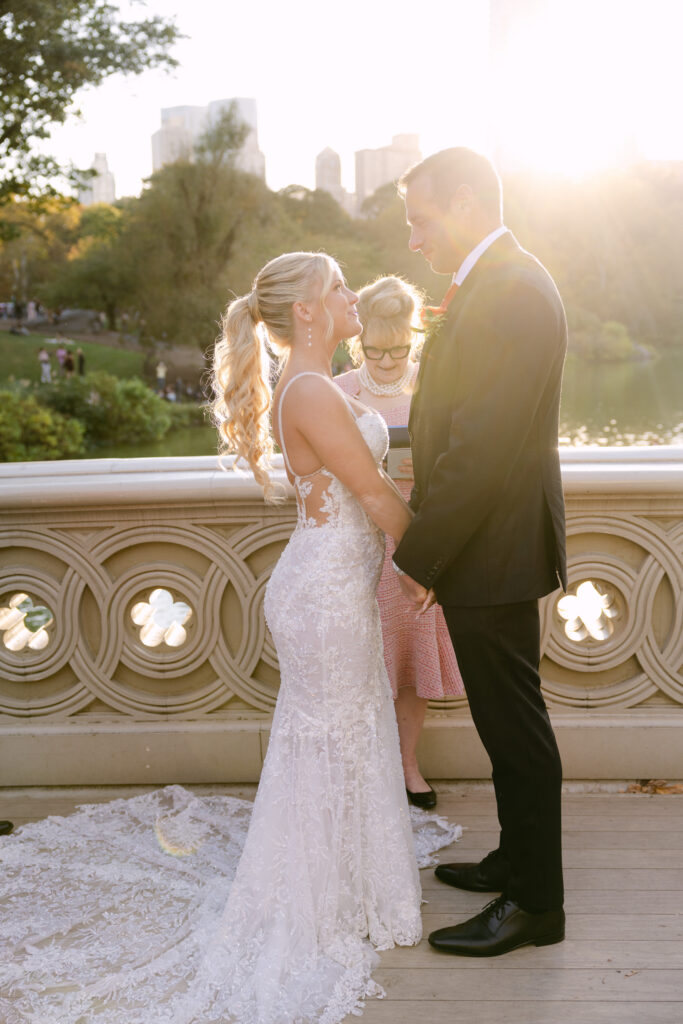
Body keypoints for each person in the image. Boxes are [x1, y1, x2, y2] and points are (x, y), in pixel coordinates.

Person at [0, 252, 459, 1024]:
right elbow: (374, 492)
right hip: (323, 594)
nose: (351, 295)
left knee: (350, 732)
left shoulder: (315, 383)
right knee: (330, 737)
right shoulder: (310, 390)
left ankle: (345, 889)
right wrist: (435, 567)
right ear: (307, 311)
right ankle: (309, 903)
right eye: (337, 287)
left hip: (338, 586)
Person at [393, 148, 568, 957]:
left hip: (493, 548)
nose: (413, 239)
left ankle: (535, 904)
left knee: (514, 728)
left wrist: (419, 556)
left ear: (465, 202)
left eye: (420, 220)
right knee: (503, 725)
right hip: (486, 543)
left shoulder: (513, 289)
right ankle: (514, 859)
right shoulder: (495, 281)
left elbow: (483, 448)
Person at [335, 276, 463, 808]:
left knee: (408, 660)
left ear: (414, 337)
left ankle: (408, 765)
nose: (387, 361)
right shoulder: (339, 391)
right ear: (358, 341)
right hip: (359, 539)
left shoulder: (434, 383)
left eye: (399, 349)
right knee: (360, 659)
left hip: (416, 541)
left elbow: (461, 457)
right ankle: (363, 767)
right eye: (375, 350)